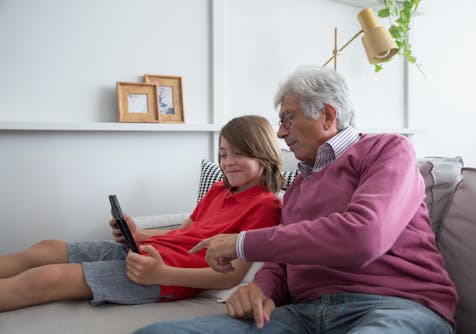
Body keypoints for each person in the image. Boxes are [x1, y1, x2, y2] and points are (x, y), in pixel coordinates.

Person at [134, 66, 458, 334]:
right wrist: (260, 289)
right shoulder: (300, 183)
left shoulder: (387, 150)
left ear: (328, 116)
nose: (279, 133)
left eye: (287, 118)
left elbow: (364, 235)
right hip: (304, 316)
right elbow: (281, 263)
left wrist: (242, 243)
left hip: (396, 306)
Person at [0, 115, 282, 312]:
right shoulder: (219, 189)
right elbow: (185, 232)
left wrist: (162, 273)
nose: (227, 162)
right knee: (46, 248)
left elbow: (229, 277)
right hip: (146, 253)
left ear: (263, 153)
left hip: (163, 276)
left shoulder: (266, 206)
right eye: (222, 154)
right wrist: (138, 234)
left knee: (47, 278)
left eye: (238, 154)